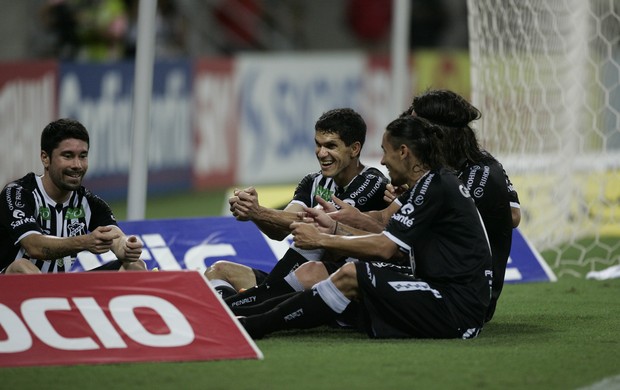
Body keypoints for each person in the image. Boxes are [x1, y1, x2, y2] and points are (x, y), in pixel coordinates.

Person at [230, 89, 520, 324]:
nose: (382, 160)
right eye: (318, 144)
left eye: (330, 145)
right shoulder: (431, 180)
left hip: (457, 291)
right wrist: (338, 225)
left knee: (333, 271)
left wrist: (324, 234)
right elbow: (385, 221)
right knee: (238, 270)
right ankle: (246, 313)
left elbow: (387, 242)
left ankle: (249, 316)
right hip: (430, 275)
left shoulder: (465, 176)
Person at [205, 108, 390, 299]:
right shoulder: (312, 181)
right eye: (318, 144)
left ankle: (249, 301)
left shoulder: (372, 181)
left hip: (341, 282)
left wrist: (259, 211)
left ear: (354, 149)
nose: (321, 153)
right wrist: (252, 213)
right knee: (217, 270)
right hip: (300, 278)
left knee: (312, 247)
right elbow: (281, 229)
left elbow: (319, 224)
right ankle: (254, 299)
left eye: (331, 146)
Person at [405, 89, 520, 322]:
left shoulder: (483, 171)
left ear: (436, 133)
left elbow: (513, 215)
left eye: (415, 124)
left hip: (462, 293)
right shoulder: (431, 166)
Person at [0, 118, 146, 274]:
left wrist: (126, 247)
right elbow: (34, 246)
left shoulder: (89, 202)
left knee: (135, 265)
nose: (77, 165)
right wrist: (84, 242)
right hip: (10, 290)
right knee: (21, 267)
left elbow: (116, 238)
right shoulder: (18, 193)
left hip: (63, 287)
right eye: (68, 156)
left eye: (83, 156)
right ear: (45, 158)